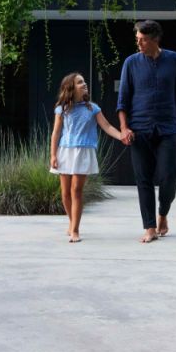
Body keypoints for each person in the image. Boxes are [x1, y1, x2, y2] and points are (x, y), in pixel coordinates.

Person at [116, 19, 176, 243]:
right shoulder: (131, 63)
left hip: (168, 128)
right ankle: (149, 227)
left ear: (154, 39)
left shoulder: (175, 60)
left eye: (142, 40)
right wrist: (124, 127)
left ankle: (163, 213)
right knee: (143, 179)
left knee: (169, 177)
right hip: (139, 130)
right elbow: (122, 101)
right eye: (137, 39)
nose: (138, 43)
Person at [48, 72, 126, 243]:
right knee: (65, 193)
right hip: (65, 151)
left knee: (76, 191)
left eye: (84, 82)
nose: (84, 84)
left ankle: (75, 230)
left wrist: (121, 136)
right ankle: (71, 222)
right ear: (70, 88)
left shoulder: (92, 108)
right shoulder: (62, 109)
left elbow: (106, 126)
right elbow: (56, 133)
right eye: (80, 82)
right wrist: (53, 154)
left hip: (84, 152)